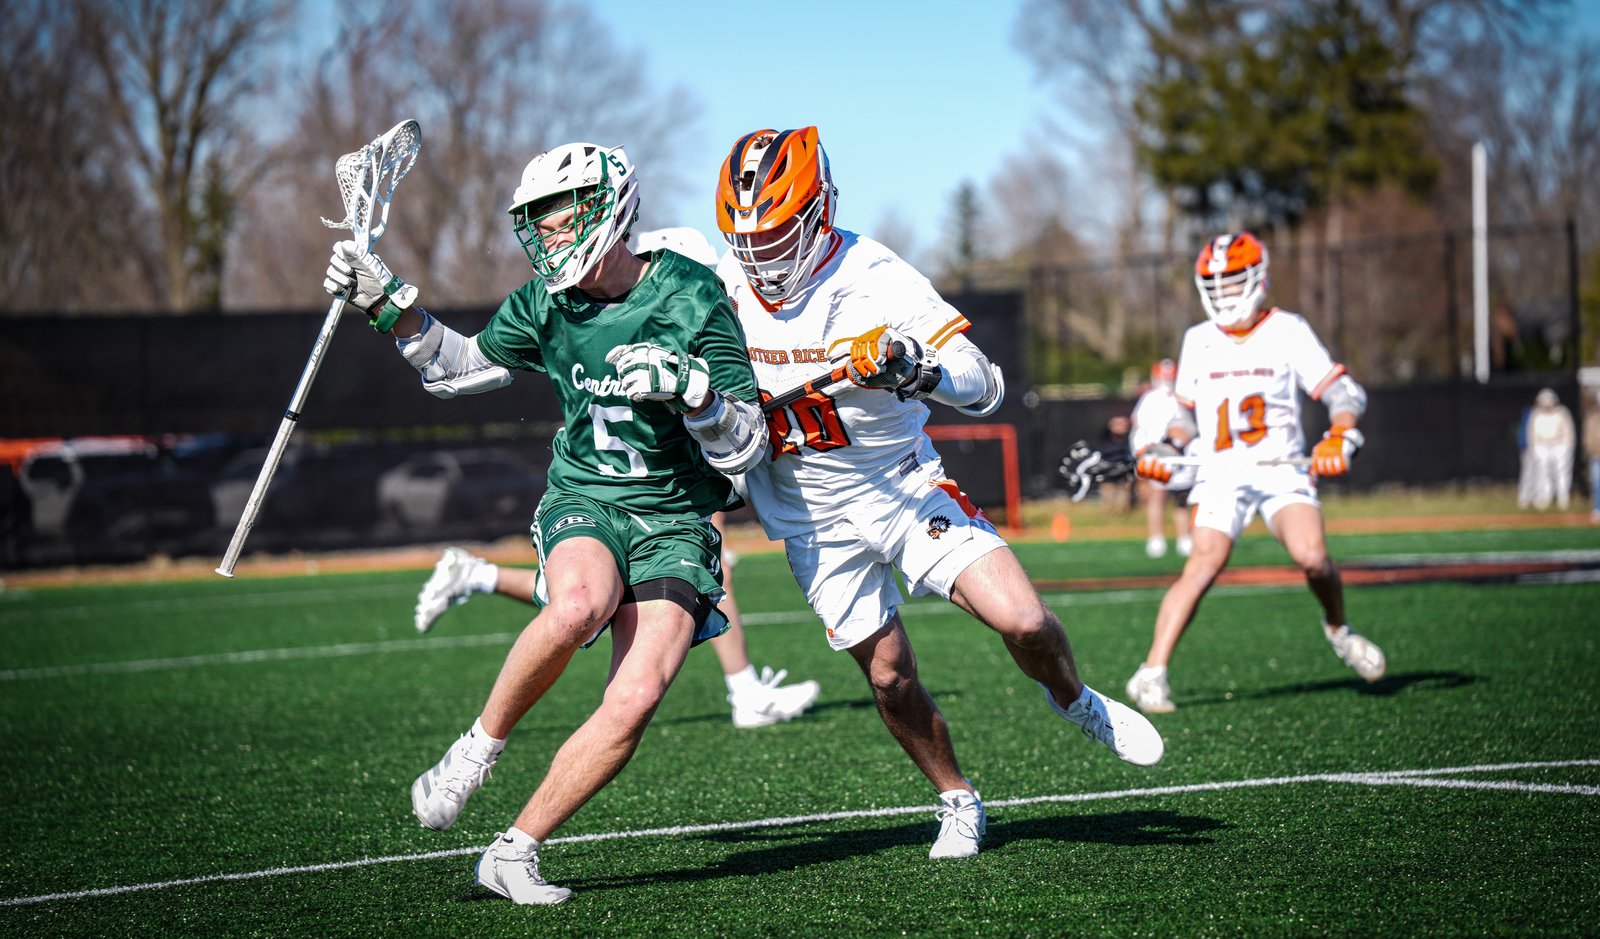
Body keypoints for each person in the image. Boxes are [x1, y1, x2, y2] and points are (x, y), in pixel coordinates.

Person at [615, 126, 1163, 860]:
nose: (760, 256)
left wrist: (912, 364)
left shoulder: (875, 274)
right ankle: (957, 798)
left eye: (778, 236)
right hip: (810, 516)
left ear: (819, 213)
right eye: (746, 239)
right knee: (889, 676)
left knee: (1025, 619)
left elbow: (986, 382)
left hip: (901, 487)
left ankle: (1076, 698)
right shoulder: (718, 283)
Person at [322, 142, 772, 905]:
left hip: (674, 515)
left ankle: (515, 851)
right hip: (587, 496)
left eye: (562, 223)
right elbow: (456, 367)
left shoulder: (692, 296)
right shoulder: (546, 302)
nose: (550, 240)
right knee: (577, 603)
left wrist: (693, 390)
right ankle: (475, 751)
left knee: (634, 697)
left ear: (612, 212)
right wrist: (387, 306)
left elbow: (750, 441)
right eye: (540, 227)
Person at [413, 229, 820, 731]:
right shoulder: (648, 307)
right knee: (608, 596)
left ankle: (481, 576)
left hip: (666, 467)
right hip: (649, 478)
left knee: (603, 598)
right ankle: (744, 689)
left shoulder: (687, 303)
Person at [1126, 231, 1386, 714]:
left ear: (1258, 279)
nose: (1223, 293)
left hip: (1280, 468)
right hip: (1222, 471)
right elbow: (1185, 416)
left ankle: (1338, 628)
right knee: (1203, 562)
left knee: (1313, 558)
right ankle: (1152, 672)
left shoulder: (1288, 329)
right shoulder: (1198, 340)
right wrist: (1167, 446)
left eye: (1233, 281)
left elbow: (1342, 392)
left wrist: (1340, 433)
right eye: (1215, 283)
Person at [1130, 359, 1194, 559]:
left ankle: (1184, 538)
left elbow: (1189, 428)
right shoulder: (1150, 399)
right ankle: (1156, 537)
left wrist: (1177, 443)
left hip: (1180, 453)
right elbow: (1140, 427)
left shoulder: (1183, 397)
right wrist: (1143, 449)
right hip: (1157, 453)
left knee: (1182, 497)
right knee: (1157, 495)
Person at [1519, 388, 1575, 511]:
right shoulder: (1535, 414)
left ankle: (1563, 497)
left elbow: (1568, 433)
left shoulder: (1562, 413)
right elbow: (1531, 433)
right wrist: (1534, 448)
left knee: (1562, 473)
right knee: (1542, 473)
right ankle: (1544, 498)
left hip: (1560, 446)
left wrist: (1565, 447)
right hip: (1542, 446)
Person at [1584, 390, 1600, 524]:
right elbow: (1588, 437)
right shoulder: (1593, 417)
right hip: (1597, 456)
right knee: (1597, 483)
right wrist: (1594, 451)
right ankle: (1597, 509)